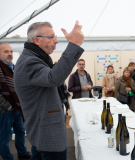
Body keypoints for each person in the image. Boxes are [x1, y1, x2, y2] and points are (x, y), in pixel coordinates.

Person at [14, 21, 85, 160]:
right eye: (51, 37)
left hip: (42, 132)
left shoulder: (35, 58)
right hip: (48, 135)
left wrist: (54, 69)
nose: (56, 41)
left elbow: (47, 81)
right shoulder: (30, 61)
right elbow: (54, 79)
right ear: (37, 40)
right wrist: (74, 45)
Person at [0, 43, 31, 160]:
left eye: (11, 51)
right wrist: (7, 106)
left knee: (21, 131)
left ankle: (22, 153)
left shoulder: (13, 66)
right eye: (6, 52)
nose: (10, 54)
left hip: (17, 107)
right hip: (5, 110)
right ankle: (8, 158)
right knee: (4, 138)